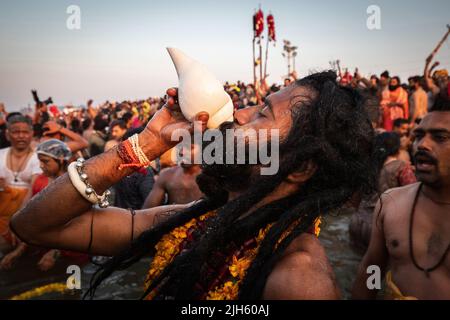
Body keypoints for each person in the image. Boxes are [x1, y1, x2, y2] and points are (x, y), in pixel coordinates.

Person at [11, 71, 377, 300]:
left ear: (299, 167)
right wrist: (144, 145)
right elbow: (33, 226)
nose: (239, 114)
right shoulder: (192, 221)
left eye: (262, 113)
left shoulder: (298, 280)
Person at [352, 97, 450, 300]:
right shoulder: (391, 202)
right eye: (418, 136)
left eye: (440, 137)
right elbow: (372, 269)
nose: (422, 145)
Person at [349, 132, 416, 251]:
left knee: (361, 263)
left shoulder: (366, 167)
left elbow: (354, 199)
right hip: (381, 226)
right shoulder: (401, 167)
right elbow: (414, 199)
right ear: (398, 149)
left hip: (357, 222)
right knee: (380, 266)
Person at [0, 115, 41, 261]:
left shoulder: (38, 158)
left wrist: (16, 222)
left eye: (25, 132)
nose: (21, 136)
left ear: (32, 134)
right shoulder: (1, 155)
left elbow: (33, 190)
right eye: (16, 132)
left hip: (25, 214)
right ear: (7, 134)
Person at [142, 141, 203, 209]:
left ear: (202, 150)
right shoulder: (166, 175)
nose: (182, 152)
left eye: (189, 148)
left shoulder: (212, 177)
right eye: (180, 147)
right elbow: (148, 211)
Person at [112, 128, 155, 210]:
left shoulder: (118, 165)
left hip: (118, 214)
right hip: (137, 217)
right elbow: (149, 202)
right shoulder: (143, 170)